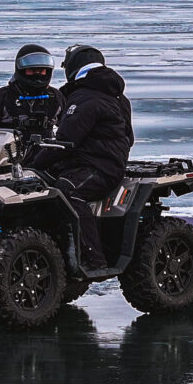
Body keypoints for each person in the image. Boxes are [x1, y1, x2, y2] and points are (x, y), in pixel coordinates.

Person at [31, 45, 134, 272]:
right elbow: (130, 137)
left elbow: (64, 142)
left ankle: (92, 258)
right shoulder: (116, 96)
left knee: (67, 192)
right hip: (100, 162)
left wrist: (34, 165)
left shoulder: (86, 99)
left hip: (99, 167)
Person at [0, 44, 62, 141]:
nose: (37, 74)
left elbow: (70, 127)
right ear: (22, 70)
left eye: (41, 70)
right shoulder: (2, 96)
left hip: (46, 151)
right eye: (32, 70)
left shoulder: (55, 96)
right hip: (10, 153)